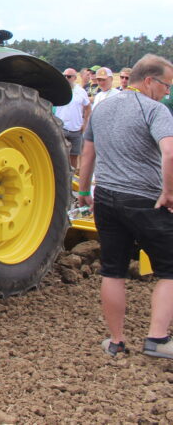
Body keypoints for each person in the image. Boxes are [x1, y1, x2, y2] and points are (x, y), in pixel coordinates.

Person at [78, 54, 173, 358]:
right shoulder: (155, 110)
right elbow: (169, 153)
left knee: (112, 271)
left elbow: (87, 153)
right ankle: (157, 339)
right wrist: (169, 192)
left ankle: (116, 341)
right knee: (170, 269)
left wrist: (82, 190)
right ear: (149, 81)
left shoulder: (102, 108)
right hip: (144, 199)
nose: (167, 92)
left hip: (105, 197)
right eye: (166, 85)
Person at [55, 68, 90, 172]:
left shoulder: (81, 91)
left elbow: (88, 108)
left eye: (69, 76)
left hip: (76, 129)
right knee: (60, 155)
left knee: (74, 156)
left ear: (75, 78)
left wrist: (85, 123)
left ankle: (72, 177)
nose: (66, 78)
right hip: (62, 128)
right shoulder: (58, 90)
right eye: (64, 76)